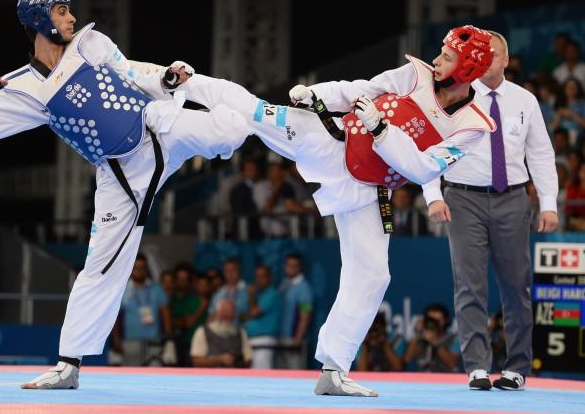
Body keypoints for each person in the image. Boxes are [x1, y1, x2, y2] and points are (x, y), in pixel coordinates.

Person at [0, 0, 249, 389]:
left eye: (69, 10)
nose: (71, 17)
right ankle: (68, 365)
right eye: (61, 11)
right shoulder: (22, 87)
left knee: (231, 127)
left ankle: (292, 127)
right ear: (39, 18)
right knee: (101, 266)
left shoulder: (91, 44)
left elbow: (132, 71)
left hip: (157, 126)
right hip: (119, 174)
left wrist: (167, 80)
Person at [174, 24, 496, 396]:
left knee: (374, 276)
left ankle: (333, 370)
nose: (437, 60)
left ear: (469, 70)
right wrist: (316, 93)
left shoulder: (472, 125)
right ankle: (185, 80)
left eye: (448, 57)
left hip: (370, 191)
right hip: (332, 141)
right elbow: (360, 90)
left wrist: (382, 131)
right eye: (441, 52)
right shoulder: (414, 74)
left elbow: (423, 168)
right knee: (255, 112)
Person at [424, 31, 559, 391]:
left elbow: (542, 154)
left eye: (492, 54)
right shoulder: (453, 95)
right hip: (462, 197)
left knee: (516, 287)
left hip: (513, 199)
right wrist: (432, 195)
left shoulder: (524, 101)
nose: (485, 60)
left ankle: (516, 367)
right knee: (470, 284)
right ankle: (477, 368)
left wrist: (548, 204)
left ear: (504, 60)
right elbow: (427, 146)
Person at [112, 254, 172, 366]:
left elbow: (165, 311)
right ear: (130, 269)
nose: (139, 271)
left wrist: (168, 336)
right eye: (136, 268)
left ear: (146, 269)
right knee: (130, 375)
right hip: (131, 340)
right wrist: (116, 338)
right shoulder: (123, 290)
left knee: (155, 374)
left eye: (142, 268)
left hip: (154, 340)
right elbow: (114, 316)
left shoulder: (156, 288)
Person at [190, 299, 252, 368]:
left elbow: (248, 359)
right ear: (217, 313)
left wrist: (239, 364)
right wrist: (219, 360)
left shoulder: (241, 333)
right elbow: (196, 361)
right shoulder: (202, 331)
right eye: (225, 313)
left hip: (235, 376)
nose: (229, 315)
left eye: (231, 313)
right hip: (211, 376)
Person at [276, 254, 313, 370]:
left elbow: (305, 315)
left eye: (294, 266)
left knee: (295, 374)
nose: (290, 268)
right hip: (279, 339)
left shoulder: (304, 288)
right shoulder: (283, 285)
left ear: (299, 267)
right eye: (288, 265)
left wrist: (298, 339)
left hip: (294, 340)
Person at [243, 265, 281, 369]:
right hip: (254, 341)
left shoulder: (272, 294)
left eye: (262, 277)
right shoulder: (260, 294)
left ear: (269, 278)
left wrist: (250, 296)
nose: (258, 280)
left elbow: (254, 313)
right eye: (257, 277)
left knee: (262, 375)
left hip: (263, 341)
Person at [403, 303, 460, 373]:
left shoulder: (454, 339)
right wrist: (417, 334)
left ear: (446, 321)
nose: (434, 323)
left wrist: (435, 342)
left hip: (446, 381)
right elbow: (407, 359)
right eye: (431, 320)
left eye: (438, 321)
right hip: (422, 381)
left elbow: (452, 363)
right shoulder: (420, 338)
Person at [170, 263, 207, 367]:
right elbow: (187, 322)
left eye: (185, 279)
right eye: (179, 278)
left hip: (196, 341)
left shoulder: (194, 299)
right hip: (182, 341)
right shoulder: (173, 299)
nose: (182, 282)